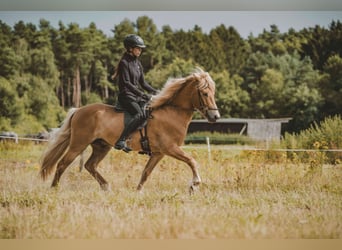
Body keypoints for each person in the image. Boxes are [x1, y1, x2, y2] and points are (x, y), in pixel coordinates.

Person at [112, 34, 158, 152]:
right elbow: (127, 83)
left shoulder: (138, 63)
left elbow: (143, 83)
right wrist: (143, 95)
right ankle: (121, 140)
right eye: (138, 48)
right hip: (126, 96)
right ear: (130, 48)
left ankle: (143, 141)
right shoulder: (124, 62)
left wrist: (156, 92)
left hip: (135, 96)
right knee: (139, 115)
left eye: (141, 49)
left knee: (149, 112)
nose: (140, 50)